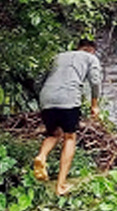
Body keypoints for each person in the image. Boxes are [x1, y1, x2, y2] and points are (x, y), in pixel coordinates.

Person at [33, 38, 102, 195]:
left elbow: (39, 79)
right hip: (68, 99)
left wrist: (43, 98)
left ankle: (42, 156)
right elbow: (95, 81)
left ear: (77, 48)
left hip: (46, 98)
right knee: (69, 137)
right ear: (92, 50)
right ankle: (61, 186)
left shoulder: (57, 56)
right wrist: (94, 105)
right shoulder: (91, 58)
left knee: (54, 134)